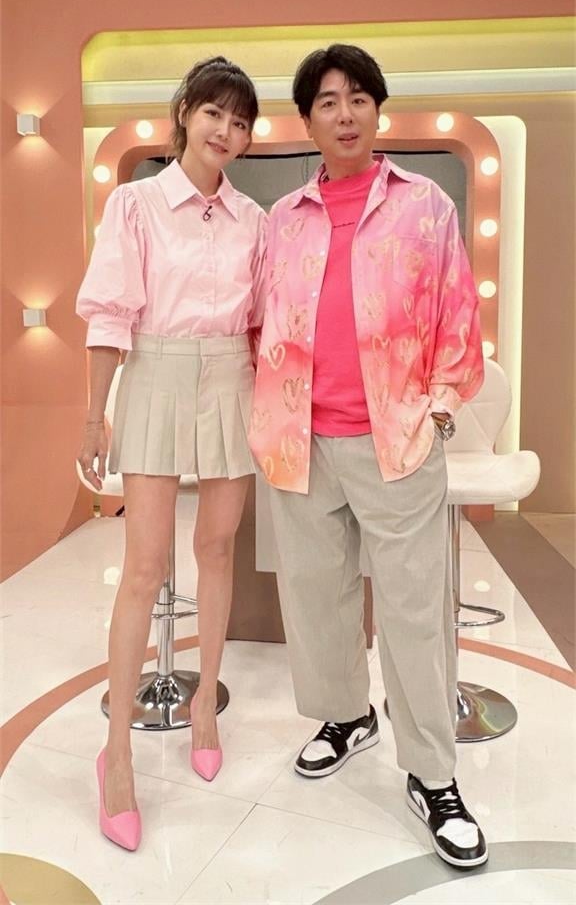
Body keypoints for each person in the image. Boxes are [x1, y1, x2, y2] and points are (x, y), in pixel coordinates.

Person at [249, 44, 487, 869]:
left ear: (378, 110)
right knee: (317, 597)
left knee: (415, 610)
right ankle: (347, 716)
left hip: (398, 440)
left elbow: (458, 313)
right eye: (326, 101)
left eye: (357, 98)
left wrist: (439, 410)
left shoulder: (424, 206)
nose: (344, 114)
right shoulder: (283, 219)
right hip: (301, 441)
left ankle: (433, 773)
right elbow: (260, 323)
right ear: (307, 120)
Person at [76, 56, 267, 851]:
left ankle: (202, 706)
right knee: (145, 566)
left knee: (217, 547)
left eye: (240, 122)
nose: (225, 131)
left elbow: (262, 324)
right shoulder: (136, 204)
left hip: (231, 377)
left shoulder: (254, 219)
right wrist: (95, 416)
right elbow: (110, 313)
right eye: (214, 113)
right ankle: (116, 754)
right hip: (154, 371)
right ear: (185, 111)